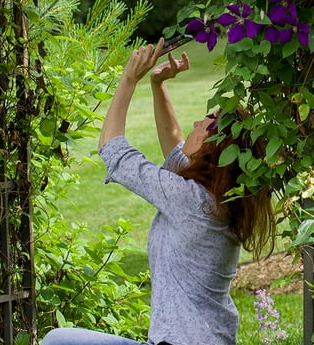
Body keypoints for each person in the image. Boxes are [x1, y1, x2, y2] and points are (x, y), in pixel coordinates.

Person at [41, 39, 276, 345]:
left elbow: (113, 151)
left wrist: (129, 79)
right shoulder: (217, 198)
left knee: (58, 341)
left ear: (213, 148)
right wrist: (157, 85)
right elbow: (176, 148)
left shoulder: (189, 200)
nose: (196, 122)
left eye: (205, 123)